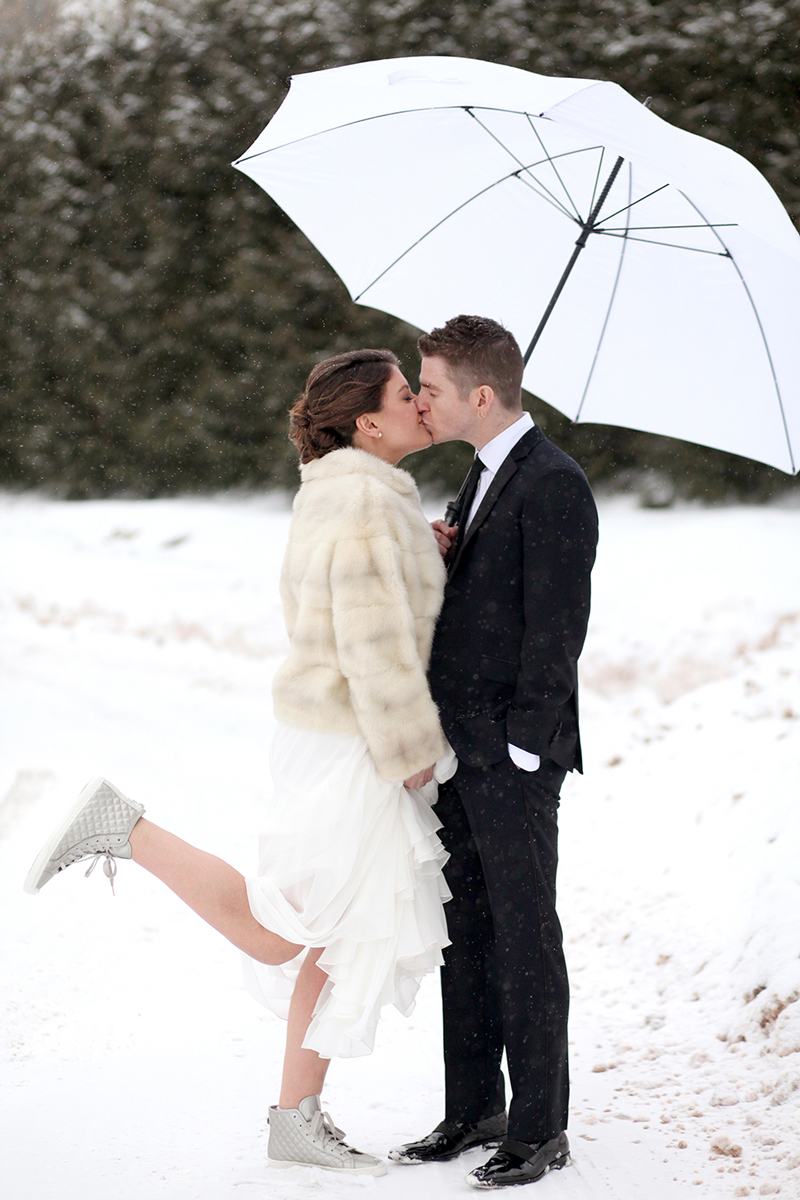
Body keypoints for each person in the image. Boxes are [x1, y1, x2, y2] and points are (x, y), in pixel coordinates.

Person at [23, 348, 456, 1178]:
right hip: (352, 740)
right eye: (408, 394)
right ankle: (126, 829)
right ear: (368, 421)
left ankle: (296, 1118)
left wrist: (421, 549)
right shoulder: (366, 502)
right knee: (285, 933)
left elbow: (355, 610)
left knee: (332, 939)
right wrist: (409, 751)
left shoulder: (350, 494)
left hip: (334, 732)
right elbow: (369, 643)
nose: (421, 403)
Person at [390, 316, 598, 1189]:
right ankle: (474, 1105)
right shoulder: (480, 473)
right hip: (454, 746)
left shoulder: (553, 483)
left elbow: (558, 629)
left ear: (481, 395)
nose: (419, 402)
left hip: (511, 756)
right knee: (463, 932)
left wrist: (520, 747)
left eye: (429, 388)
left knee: (522, 934)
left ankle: (539, 1126)